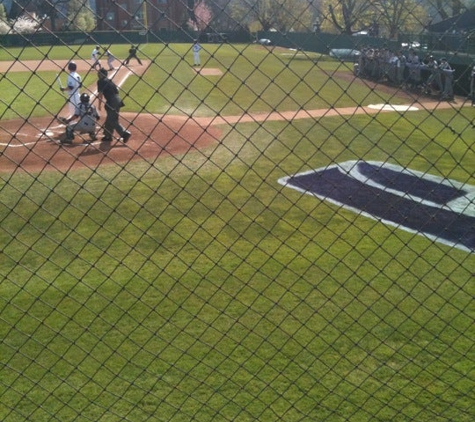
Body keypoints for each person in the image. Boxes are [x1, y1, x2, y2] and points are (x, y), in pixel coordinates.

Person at [96, 68, 131, 143]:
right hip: (117, 100)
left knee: (112, 120)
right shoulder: (109, 81)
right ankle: (107, 136)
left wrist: (99, 105)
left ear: (102, 74)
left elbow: (100, 94)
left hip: (112, 101)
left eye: (99, 73)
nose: (98, 75)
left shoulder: (101, 81)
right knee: (110, 118)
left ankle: (125, 133)